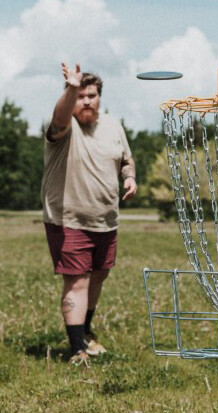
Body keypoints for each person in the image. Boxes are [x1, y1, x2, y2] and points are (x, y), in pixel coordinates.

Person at [41, 62, 137, 366]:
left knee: (98, 276)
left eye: (91, 95)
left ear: (99, 97)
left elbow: (126, 159)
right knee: (77, 283)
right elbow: (59, 116)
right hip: (69, 220)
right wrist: (71, 86)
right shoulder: (63, 127)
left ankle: (84, 330)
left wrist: (129, 177)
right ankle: (77, 350)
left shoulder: (112, 125)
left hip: (106, 220)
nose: (86, 101)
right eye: (79, 95)